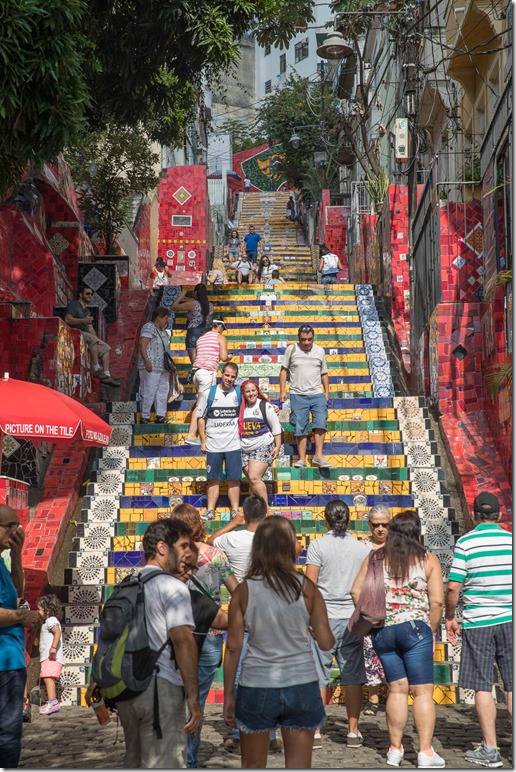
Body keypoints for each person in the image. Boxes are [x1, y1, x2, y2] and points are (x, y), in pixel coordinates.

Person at [223, 516, 335, 769]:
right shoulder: (307, 588)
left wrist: (229, 693)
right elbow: (326, 642)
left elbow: (233, 647)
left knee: (253, 766)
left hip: (256, 683)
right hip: (301, 682)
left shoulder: (244, 591)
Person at [351, 510, 445, 769]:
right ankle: (425, 752)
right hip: (415, 629)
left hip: (383, 630)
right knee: (422, 691)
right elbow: (437, 601)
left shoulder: (376, 557)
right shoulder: (427, 559)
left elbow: (356, 590)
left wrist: (372, 617)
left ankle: (394, 750)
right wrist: (431, 630)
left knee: (397, 689)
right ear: (416, 532)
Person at [105, 518, 202, 769]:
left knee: (134, 761)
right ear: (162, 547)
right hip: (160, 689)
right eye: (183, 546)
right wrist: (193, 698)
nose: (188, 553)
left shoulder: (127, 583)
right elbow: (183, 642)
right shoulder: (172, 587)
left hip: (127, 690)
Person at [445, 492, 512, 769]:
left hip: (478, 622)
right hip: (511, 620)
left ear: (474, 515)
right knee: (512, 684)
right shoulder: (511, 541)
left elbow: (453, 586)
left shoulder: (466, 543)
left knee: (483, 686)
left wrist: (450, 615)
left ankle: (490, 749)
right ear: (500, 514)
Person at [170, 504, 238, 769]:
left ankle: (178, 758)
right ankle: (190, 760)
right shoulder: (215, 555)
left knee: (177, 699)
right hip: (210, 633)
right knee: (196, 701)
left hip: (177, 635)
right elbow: (236, 590)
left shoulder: (170, 556)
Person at [306, 500, 370, 750]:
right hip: (352, 618)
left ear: (326, 520)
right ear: (348, 519)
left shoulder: (318, 545)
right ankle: (353, 731)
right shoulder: (361, 549)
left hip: (323, 617)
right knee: (352, 676)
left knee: (319, 674)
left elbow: (310, 585)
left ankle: (315, 731)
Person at [0, 505, 42, 768]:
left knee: (10, 733)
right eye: (10, 526)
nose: (16, 531)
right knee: (6, 735)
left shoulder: (1, 563)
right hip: (3, 664)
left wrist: (16, 555)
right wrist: (20, 617)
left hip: (11, 662)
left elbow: (17, 591)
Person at [279, 324, 332, 468]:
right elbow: (283, 371)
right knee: (300, 425)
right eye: (303, 340)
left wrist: (327, 392)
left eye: (310, 339)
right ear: (299, 338)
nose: (307, 342)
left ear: (313, 338)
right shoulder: (291, 350)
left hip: (317, 394)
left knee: (320, 422)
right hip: (298, 394)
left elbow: (324, 373)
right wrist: (283, 391)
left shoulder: (319, 351)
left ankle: (318, 456)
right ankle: (302, 459)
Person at [197, 362, 242, 522]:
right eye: (227, 375)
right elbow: (201, 418)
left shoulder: (238, 393)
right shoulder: (209, 393)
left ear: (236, 378)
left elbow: (255, 401)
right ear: (221, 374)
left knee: (234, 479)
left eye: (233, 376)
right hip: (213, 445)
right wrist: (203, 441)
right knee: (213, 479)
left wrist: (273, 407)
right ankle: (210, 510)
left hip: (234, 444)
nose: (229, 379)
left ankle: (234, 510)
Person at [184, 319, 232, 446]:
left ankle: (202, 430)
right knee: (201, 405)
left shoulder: (201, 338)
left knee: (203, 402)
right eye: (223, 328)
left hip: (196, 372)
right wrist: (229, 357)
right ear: (219, 326)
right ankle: (192, 435)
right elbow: (223, 357)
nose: (223, 331)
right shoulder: (220, 337)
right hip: (207, 372)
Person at [361, 504, 389, 716]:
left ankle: (393, 692)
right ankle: (373, 697)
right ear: (369, 525)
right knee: (369, 651)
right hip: (370, 607)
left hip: (392, 607)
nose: (380, 529)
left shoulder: (398, 546)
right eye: (376, 525)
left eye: (384, 525)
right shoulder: (362, 547)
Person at [65, 285, 121, 387]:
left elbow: (90, 329)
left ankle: (107, 375)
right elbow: (68, 319)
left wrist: (97, 341)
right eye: (87, 293)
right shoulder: (74, 305)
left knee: (105, 348)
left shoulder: (87, 311)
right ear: (81, 295)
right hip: (75, 333)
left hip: (86, 334)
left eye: (91, 294)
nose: (90, 296)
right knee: (92, 339)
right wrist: (84, 320)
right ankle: (96, 368)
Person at [239, 380, 282, 508]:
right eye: (248, 391)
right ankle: (254, 509)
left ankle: (266, 509)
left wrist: (277, 446)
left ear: (257, 391)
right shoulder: (239, 407)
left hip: (263, 445)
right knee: (252, 482)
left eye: (253, 390)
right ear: (243, 393)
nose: (251, 393)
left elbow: (276, 427)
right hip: (243, 448)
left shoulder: (264, 405)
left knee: (254, 477)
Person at [137, 306, 172, 424]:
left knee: (163, 390)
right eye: (165, 318)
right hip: (151, 366)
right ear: (159, 318)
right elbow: (142, 345)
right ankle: (145, 416)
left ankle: (160, 415)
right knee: (149, 390)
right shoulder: (149, 327)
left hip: (163, 367)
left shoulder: (163, 331)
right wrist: (147, 362)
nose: (167, 320)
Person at [36, 594, 65, 716]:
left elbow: (57, 632)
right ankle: (51, 701)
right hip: (47, 657)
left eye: (39, 609)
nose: (38, 612)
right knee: (47, 678)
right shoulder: (47, 622)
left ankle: (52, 702)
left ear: (47, 610)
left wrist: (53, 647)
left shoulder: (51, 620)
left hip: (51, 657)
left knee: (48, 678)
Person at [171, 284, 214, 364]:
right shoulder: (210, 306)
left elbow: (173, 307)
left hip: (193, 333)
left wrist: (181, 296)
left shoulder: (193, 304)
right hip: (205, 333)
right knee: (203, 359)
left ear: (196, 292)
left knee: (195, 362)